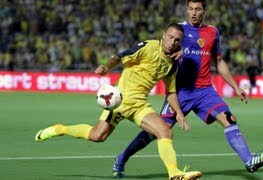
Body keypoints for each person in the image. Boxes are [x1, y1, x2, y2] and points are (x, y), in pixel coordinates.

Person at [112, 0, 263, 178]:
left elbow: (219, 62)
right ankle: (122, 158)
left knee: (229, 118)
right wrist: (178, 53)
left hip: (205, 91)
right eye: (190, 9)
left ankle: (249, 160)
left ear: (205, 10)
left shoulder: (212, 32)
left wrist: (235, 86)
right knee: (156, 131)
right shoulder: (178, 32)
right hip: (180, 92)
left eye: (197, 9)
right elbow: (162, 51)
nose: (193, 13)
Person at [34, 23, 202, 180]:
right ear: (164, 35)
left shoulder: (172, 65)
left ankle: (174, 173)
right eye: (170, 37)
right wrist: (106, 67)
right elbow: (120, 56)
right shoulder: (149, 47)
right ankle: (60, 128)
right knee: (97, 136)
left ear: (180, 42)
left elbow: (171, 91)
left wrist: (179, 113)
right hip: (119, 101)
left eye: (177, 40)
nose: (172, 42)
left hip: (139, 106)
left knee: (165, 131)